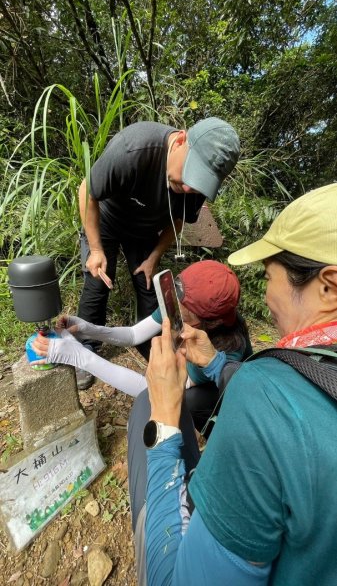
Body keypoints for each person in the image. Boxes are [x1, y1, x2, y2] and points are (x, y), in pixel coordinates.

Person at [127, 182, 337, 585]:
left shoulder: (263, 399)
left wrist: (166, 419)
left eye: (267, 275)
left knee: (143, 410)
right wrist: (218, 363)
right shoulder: (259, 367)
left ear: (326, 285)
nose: (267, 292)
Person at [76, 117, 240, 388]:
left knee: (147, 284)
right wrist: (95, 249)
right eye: (190, 173)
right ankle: (86, 348)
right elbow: (87, 192)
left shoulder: (196, 187)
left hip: (143, 231)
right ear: (180, 140)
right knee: (98, 282)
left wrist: (153, 257)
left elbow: (177, 220)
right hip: (105, 218)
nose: (189, 187)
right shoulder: (134, 149)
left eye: (198, 182)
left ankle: (150, 344)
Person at [31, 261, 252, 431]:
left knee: (191, 402)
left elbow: (153, 389)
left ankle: (206, 429)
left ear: (205, 321)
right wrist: (89, 328)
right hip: (192, 368)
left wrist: (81, 358)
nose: (174, 305)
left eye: (183, 306)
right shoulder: (181, 304)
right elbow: (134, 334)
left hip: (218, 395)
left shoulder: (224, 348)